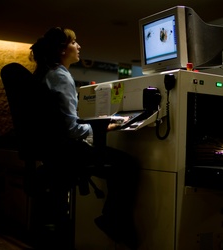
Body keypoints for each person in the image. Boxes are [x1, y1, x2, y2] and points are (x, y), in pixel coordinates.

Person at [29, 27, 139, 249]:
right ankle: (111, 220)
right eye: (74, 42)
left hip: (53, 153)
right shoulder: (60, 76)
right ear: (62, 49)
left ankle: (111, 218)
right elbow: (71, 128)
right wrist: (105, 127)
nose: (79, 46)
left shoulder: (45, 74)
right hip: (67, 152)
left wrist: (96, 126)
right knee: (128, 165)